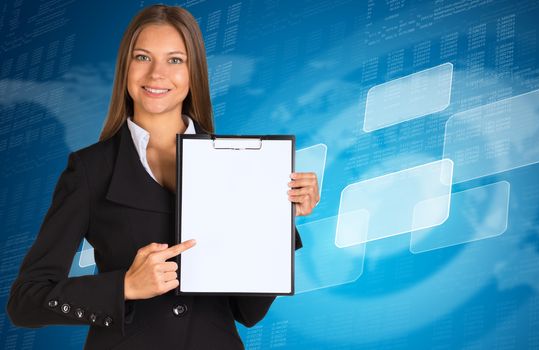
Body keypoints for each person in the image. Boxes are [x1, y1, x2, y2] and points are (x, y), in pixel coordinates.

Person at [5, 4, 319, 349]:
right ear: (125, 67)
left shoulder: (241, 166)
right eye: (142, 57)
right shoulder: (90, 170)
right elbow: (26, 302)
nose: (157, 74)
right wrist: (124, 286)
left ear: (194, 72)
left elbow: (247, 310)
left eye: (175, 60)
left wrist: (277, 219)